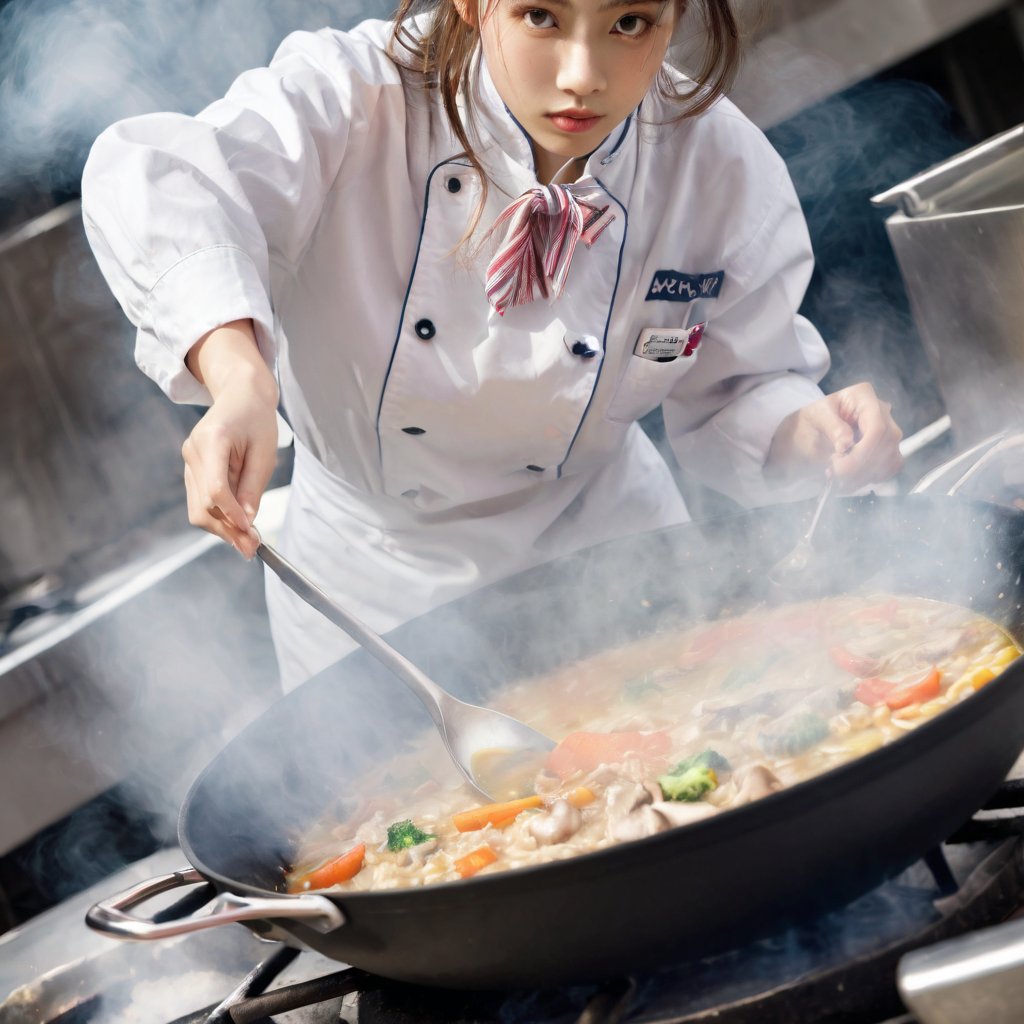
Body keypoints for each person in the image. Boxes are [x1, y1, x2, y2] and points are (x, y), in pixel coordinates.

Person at [81, 0, 903, 691]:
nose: (583, 74)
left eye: (630, 22)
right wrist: (239, 380)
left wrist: (815, 432)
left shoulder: (713, 161)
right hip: (375, 598)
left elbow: (743, 388)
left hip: (618, 560)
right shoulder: (355, 96)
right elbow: (158, 177)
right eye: (542, 15)